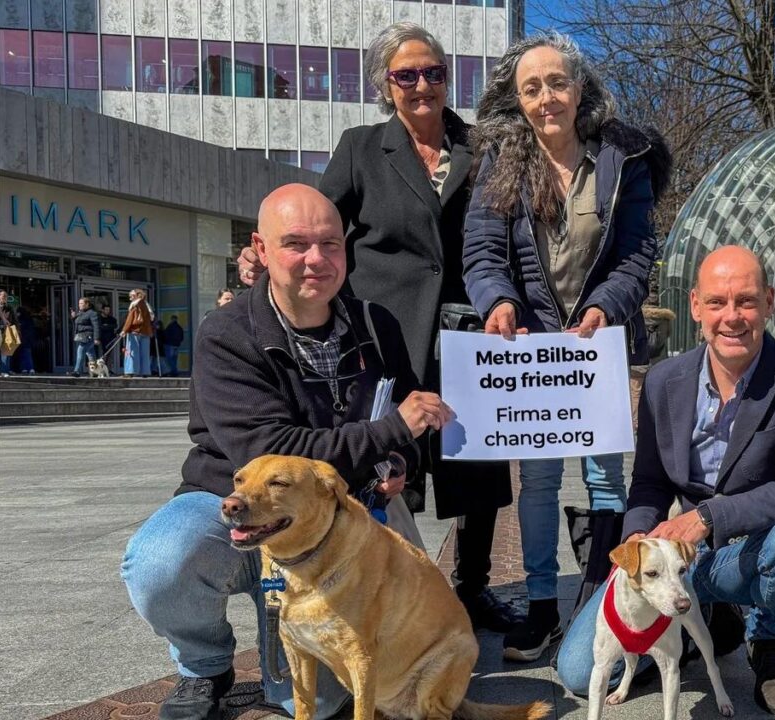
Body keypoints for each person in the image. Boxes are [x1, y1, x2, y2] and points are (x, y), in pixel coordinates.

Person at [121, 184, 451, 720]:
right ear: (262, 248)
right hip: (236, 507)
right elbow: (276, 451)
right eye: (296, 244)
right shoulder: (226, 334)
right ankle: (205, 666)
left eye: (330, 244)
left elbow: (411, 420)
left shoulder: (376, 324)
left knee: (315, 704)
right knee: (161, 562)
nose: (316, 259)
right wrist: (391, 432)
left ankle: (286, 633)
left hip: (336, 520)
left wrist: (399, 462)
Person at [236, 22, 522, 635]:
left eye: (433, 73)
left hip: (469, 333)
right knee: (392, 456)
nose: (421, 85)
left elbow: (501, 235)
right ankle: (388, 584)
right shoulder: (361, 148)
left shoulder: (482, 148)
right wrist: (266, 258)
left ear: (448, 78)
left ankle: (473, 587)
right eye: (405, 75)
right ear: (385, 86)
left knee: (476, 462)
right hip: (387, 331)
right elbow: (316, 225)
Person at [555, 246, 775, 716]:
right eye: (717, 302)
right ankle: (693, 620)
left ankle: (767, 639)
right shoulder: (664, 380)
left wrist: (707, 517)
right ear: (695, 306)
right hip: (676, 560)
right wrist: (638, 540)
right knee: (580, 673)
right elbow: (649, 482)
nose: (732, 317)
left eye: (746, 301)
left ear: (769, 301)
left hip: (754, 546)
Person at [463, 32, 671, 662]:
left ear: (581, 88)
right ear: (518, 99)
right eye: (532, 88)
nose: (546, 98)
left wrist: (607, 306)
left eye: (557, 83)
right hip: (531, 352)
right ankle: (540, 604)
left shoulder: (623, 157)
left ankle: (600, 594)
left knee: (606, 477)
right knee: (538, 482)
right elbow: (482, 252)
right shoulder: (501, 163)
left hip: (599, 345)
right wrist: (498, 302)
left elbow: (637, 251)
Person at [121, 288, 155, 377]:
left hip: (135, 331)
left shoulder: (135, 305)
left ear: (137, 295)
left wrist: (124, 330)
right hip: (146, 332)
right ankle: (145, 372)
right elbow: (151, 319)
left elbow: (130, 319)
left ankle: (131, 371)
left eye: (131, 296)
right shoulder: (146, 305)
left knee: (132, 352)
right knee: (145, 353)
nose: (130, 298)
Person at [70, 297, 101, 377]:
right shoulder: (80, 313)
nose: (79, 305)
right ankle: (95, 372)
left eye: (81, 303)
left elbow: (96, 326)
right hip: (82, 336)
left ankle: (77, 371)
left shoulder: (92, 313)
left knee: (80, 350)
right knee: (91, 354)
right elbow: (77, 324)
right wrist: (73, 317)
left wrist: (96, 338)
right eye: (79, 303)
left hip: (89, 336)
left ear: (87, 304)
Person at [98, 304, 119, 372]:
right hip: (100, 338)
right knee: (100, 354)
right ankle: (98, 369)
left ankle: (107, 369)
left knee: (108, 355)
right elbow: (99, 327)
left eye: (109, 310)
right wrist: (107, 326)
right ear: (102, 310)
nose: (108, 311)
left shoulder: (112, 319)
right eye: (106, 310)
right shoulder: (98, 318)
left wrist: (106, 326)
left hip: (109, 339)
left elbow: (115, 326)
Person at [15, 306, 36, 373]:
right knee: (27, 353)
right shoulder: (29, 319)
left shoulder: (21, 320)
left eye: (18, 312)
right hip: (28, 339)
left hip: (23, 339)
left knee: (24, 353)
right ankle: (29, 368)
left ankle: (25, 368)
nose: (17, 314)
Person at [0, 288, 14, 376]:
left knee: (5, 352)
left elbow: (12, 319)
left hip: (5, 331)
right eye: (3, 296)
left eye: (6, 296)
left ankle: (4, 370)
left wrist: (5, 319)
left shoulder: (8, 308)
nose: (5, 298)